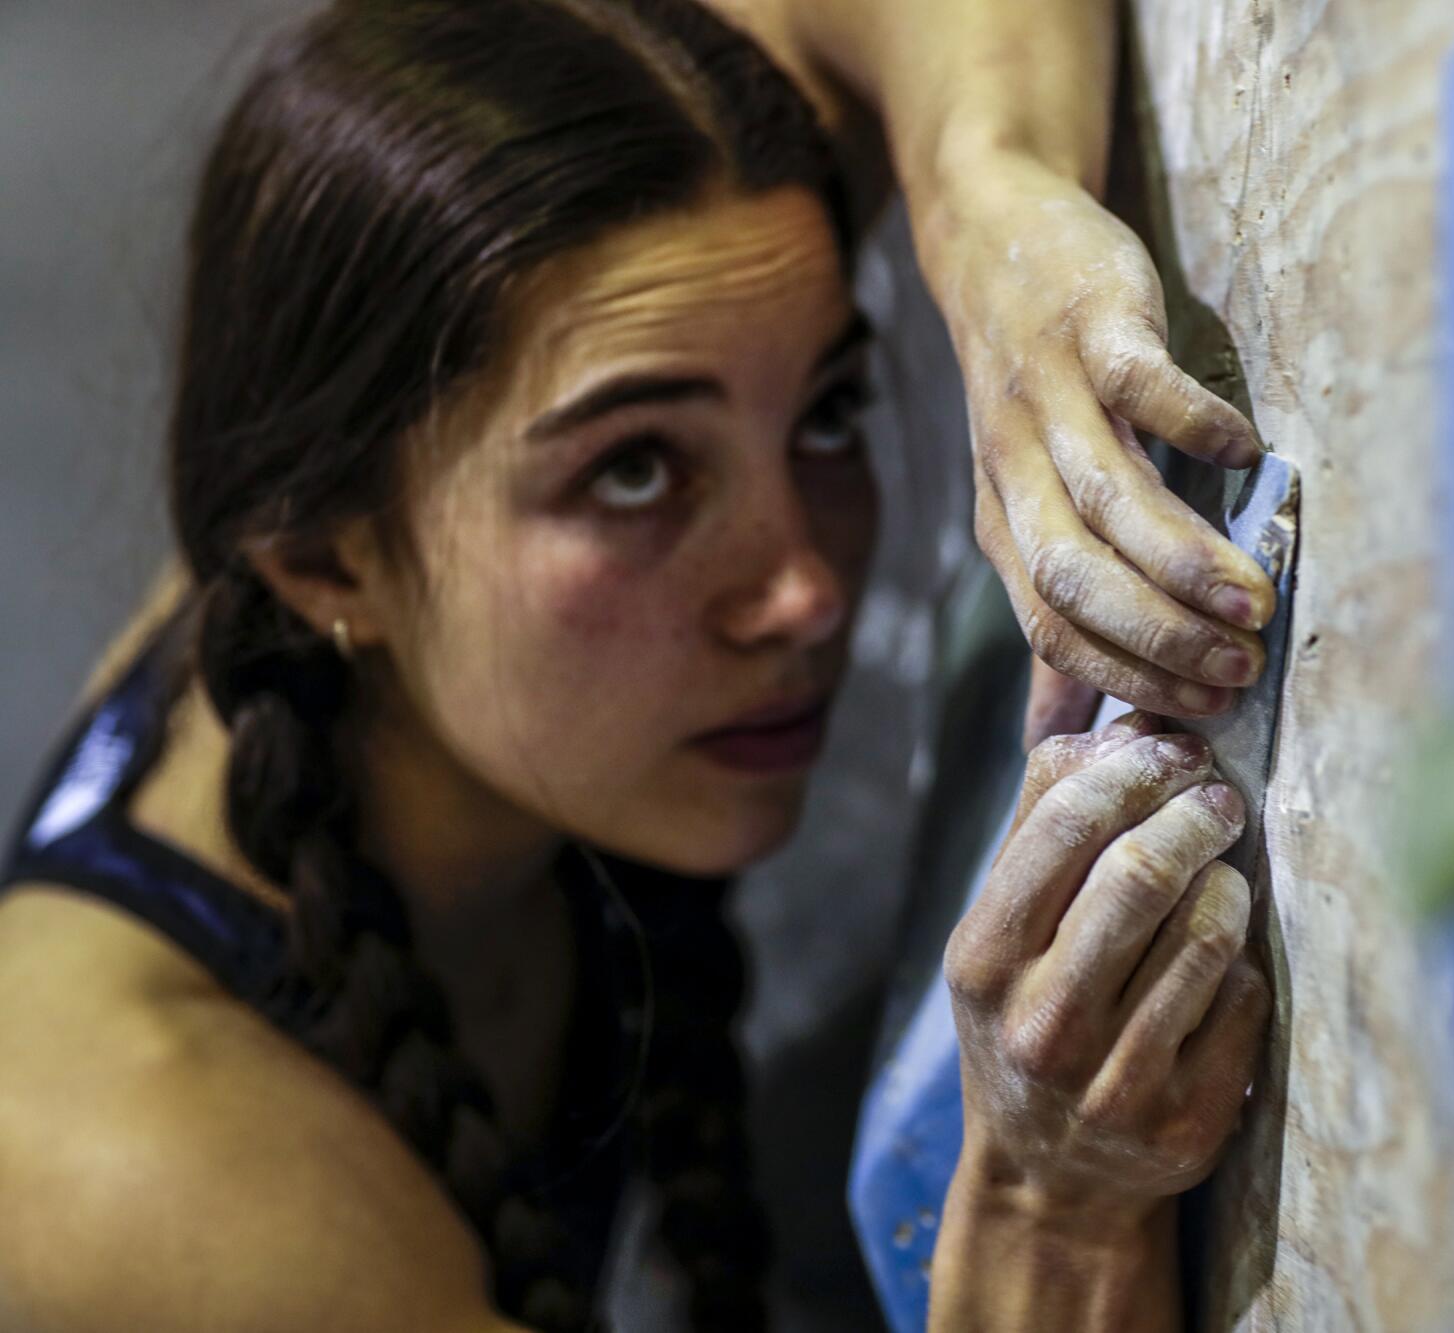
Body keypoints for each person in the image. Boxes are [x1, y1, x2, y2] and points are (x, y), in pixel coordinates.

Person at [0, 2, 1272, 1330]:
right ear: (324, 562)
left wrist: (991, 207)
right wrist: (1040, 1210)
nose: (807, 589)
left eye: (828, 412)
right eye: (635, 470)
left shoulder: (592, 312)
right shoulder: (166, 1185)